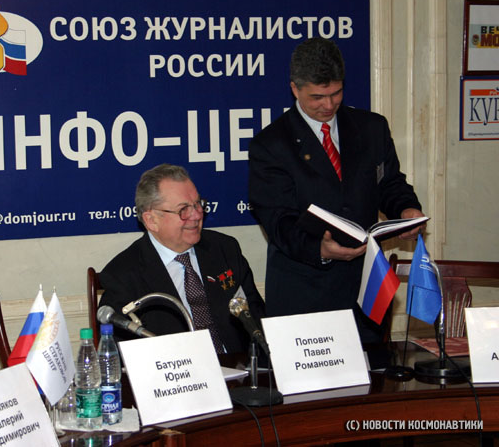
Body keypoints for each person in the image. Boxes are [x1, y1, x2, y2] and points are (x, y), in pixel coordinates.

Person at [248, 37, 425, 352]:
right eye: (317, 97)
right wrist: (320, 249)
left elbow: (390, 184)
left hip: (365, 291)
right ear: (295, 89)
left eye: (336, 93)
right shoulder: (271, 145)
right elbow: (278, 220)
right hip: (304, 293)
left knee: (374, 377)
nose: (328, 105)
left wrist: (407, 209)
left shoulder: (372, 128)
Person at [98, 164, 266, 354]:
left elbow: (257, 319)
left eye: (197, 204)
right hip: (175, 370)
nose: (197, 215)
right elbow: (123, 353)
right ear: (152, 220)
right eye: (183, 209)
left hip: (239, 367)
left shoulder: (224, 249)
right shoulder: (122, 275)